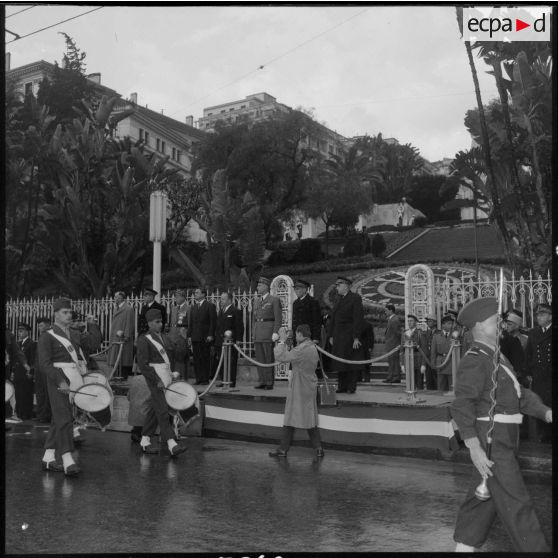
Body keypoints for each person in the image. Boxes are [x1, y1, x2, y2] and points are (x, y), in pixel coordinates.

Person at [450, 297, 552, 552]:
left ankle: (464, 547)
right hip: (492, 439)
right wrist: (474, 447)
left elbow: (519, 394)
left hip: (505, 436)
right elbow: (462, 405)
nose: (501, 326)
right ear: (480, 325)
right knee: (517, 501)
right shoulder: (476, 358)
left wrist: (546, 412)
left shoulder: (496, 355)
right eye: (496, 322)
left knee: (482, 497)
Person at [37, 298, 102, 476]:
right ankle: (67, 459)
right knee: (65, 419)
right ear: (55, 314)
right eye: (64, 312)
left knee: (59, 419)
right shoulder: (47, 336)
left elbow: (93, 345)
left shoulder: (74, 333)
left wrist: (92, 324)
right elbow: (45, 364)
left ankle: (48, 457)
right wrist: (60, 381)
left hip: (74, 377)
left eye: (69, 312)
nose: (69, 315)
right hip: (57, 379)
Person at [135, 308, 186, 456]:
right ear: (150, 323)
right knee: (163, 410)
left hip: (166, 377)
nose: (160, 324)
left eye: (161, 321)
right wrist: (156, 380)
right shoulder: (144, 339)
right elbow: (143, 365)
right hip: (155, 378)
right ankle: (172, 444)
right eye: (157, 322)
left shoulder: (165, 337)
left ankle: (144, 440)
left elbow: (177, 355)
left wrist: (182, 339)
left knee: (155, 409)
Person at [268, 325, 324, 459]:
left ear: (299, 334)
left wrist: (282, 340)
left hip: (299, 387)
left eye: (296, 334)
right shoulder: (312, 347)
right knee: (310, 420)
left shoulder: (301, 349)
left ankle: (282, 450)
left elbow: (282, 356)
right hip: (309, 386)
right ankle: (318, 449)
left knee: (289, 419)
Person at [328, 276, 365, 394]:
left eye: (339, 285)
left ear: (346, 285)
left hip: (349, 336)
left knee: (350, 363)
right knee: (340, 362)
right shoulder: (339, 299)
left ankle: (351, 386)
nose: (337, 288)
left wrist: (356, 337)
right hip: (339, 336)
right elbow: (333, 318)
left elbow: (358, 318)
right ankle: (342, 385)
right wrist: (331, 335)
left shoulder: (355, 298)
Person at [524, 303, 552, 443]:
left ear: (550, 316)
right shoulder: (534, 332)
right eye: (537, 315)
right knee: (541, 402)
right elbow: (529, 353)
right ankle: (544, 433)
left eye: (542, 314)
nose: (538, 317)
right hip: (539, 375)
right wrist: (528, 371)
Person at [252, 277, 282, 390]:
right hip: (258, 332)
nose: (257, 287)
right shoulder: (256, 300)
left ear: (266, 286)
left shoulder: (274, 300)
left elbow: (278, 317)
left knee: (268, 358)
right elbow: (254, 319)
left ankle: (269, 382)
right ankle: (262, 380)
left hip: (268, 332)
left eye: (259, 285)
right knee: (259, 359)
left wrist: (275, 332)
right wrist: (253, 332)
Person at [214, 292, 244, 388]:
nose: (221, 301)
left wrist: (239, 339)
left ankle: (231, 381)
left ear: (230, 300)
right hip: (220, 341)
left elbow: (239, 326)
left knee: (231, 361)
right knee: (221, 362)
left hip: (231, 341)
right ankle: (223, 380)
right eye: (221, 299)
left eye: (223, 299)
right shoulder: (221, 311)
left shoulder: (235, 311)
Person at [188, 287, 216, 385]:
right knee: (197, 359)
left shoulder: (210, 306)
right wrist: (189, 336)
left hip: (205, 337)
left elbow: (213, 322)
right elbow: (191, 323)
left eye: (197, 292)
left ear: (203, 294)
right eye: (195, 293)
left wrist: (210, 334)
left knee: (205, 358)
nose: (195, 294)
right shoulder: (194, 307)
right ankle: (198, 378)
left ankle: (205, 379)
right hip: (195, 337)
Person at [107, 291, 135, 380]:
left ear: (122, 298)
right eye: (115, 297)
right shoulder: (117, 308)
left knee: (123, 361)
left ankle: (122, 379)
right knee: (116, 361)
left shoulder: (128, 309)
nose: (115, 299)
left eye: (116, 297)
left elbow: (130, 324)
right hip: (116, 338)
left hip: (122, 339)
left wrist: (126, 336)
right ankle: (116, 378)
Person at [5, 329, 31, 423]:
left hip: (5, 367)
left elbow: (17, 351)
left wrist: (25, 364)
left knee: (7, 391)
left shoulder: (8, 334)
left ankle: (8, 414)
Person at [13, 323, 36, 420]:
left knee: (26, 393)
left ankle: (27, 413)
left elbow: (33, 359)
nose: (19, 332)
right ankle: (19, 412)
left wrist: (31, 372)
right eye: (19, 330)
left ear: (27, 332)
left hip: (26, 373)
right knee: (18, 393)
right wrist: (13, 372)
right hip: (18, 373)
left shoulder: (32, 343)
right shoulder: (17, 344)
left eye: (22, 330)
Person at [167, 289, 190, 379]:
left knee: (181, 359)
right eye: (175, 296)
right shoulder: (174, 308)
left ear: (183, 297)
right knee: (172, 358)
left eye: (178, 296)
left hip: (182, 337)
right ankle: (174, 377)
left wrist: (187, 335)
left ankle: (183, 377)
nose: (176, 298)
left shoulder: (188, 308)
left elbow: (189, 323)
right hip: (172, 337)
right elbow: (171, 323)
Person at [291, 279, 321, 346]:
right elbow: (295, 321)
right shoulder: (295, 303)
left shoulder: (313, 302)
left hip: (308, 335)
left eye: (298, 289)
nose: (296, 291)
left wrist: (316, 337)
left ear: (305, 290)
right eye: (295, 289)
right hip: (298, 336)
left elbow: (317, 321)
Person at [34, 317, 52, 424]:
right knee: (40, 393)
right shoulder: (42, 336)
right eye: (38, 325)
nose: (39, 327)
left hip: (46, 369)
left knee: (46, 393)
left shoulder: (50, 335)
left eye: (41, 325)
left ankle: (46, 416)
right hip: (39, 369)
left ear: (48, 325)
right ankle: (41, 414)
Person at [430, 315, 454, 392]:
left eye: (451, 324)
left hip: (451, 362)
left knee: (452, 385)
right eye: (448, 323)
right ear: (443, 325)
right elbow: (433, 352)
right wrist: (433, 364)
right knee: (441, 386)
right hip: (440, 363)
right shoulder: (436, 336)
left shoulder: (455, 336)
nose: (450, 326)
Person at [399, 314, 422, 389]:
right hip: (407, 360)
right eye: (408, 321)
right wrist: (402, 363)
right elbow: (402, 350)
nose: (409, 322)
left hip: (417, 360)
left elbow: (423, 349)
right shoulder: (405, 333)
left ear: (415, 322)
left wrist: (423, 364)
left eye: (411, 321)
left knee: (418, 383)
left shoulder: (420, 333)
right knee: (409, 382)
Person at [382, 303, 402, 384]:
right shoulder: (392, 319)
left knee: (394, 361)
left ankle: (395, 377)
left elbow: (398, 333)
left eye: (386, 310)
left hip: (394, 345)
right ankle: (391, 377)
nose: (385, 312)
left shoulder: (394, 320)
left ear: (391, 310)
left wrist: (398, 344)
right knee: (392, 361)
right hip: (392, 344)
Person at [419, 315, 439, 390]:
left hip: (436, 359)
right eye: (427, 321)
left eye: (430, 321)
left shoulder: (439, 332)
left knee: (436, 380)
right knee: (429, 380)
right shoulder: (426, 333)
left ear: (435, 322)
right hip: (428, 359)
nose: (428, 323)